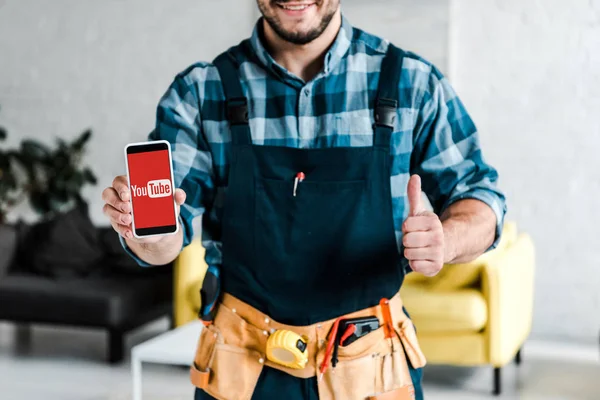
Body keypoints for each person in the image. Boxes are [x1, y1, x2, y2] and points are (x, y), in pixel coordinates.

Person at [101, 1, 506, 399]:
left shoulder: (412, 84)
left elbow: (480, 197)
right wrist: (147, 230)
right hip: (241, 371)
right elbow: (165, 239)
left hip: (372, 372)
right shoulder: (199, 92)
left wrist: (446, 241)